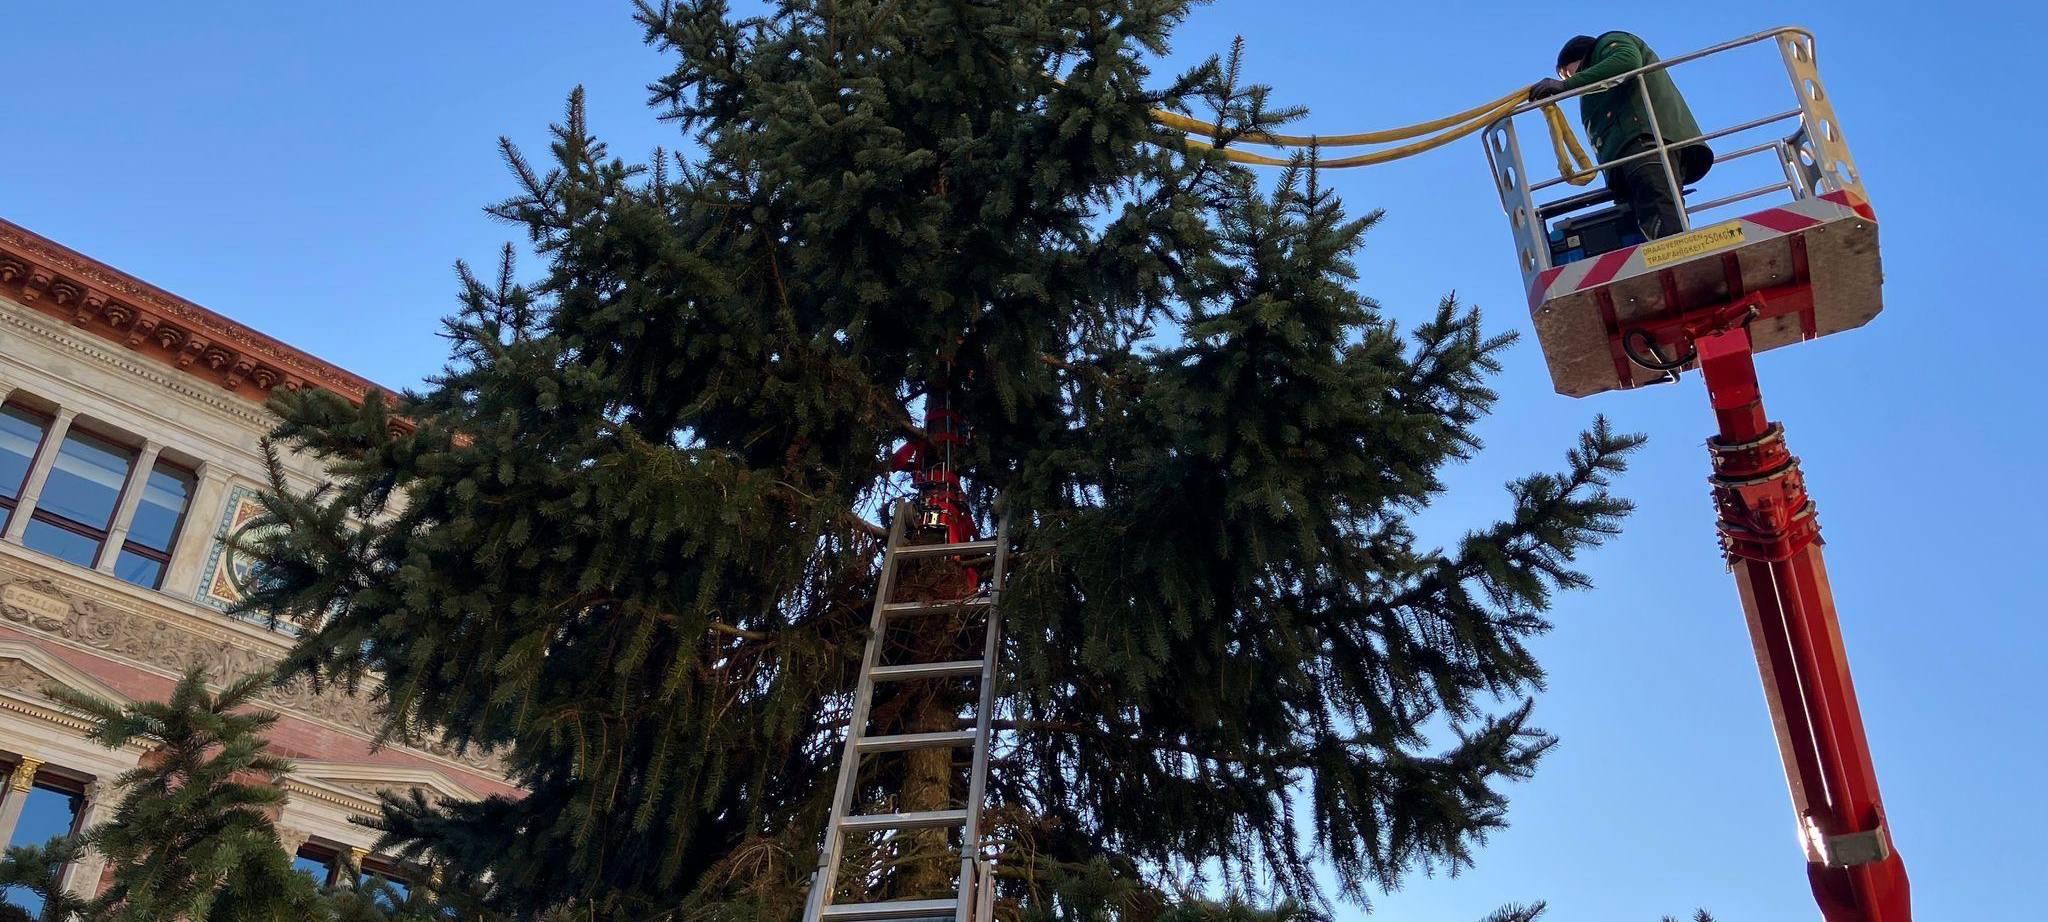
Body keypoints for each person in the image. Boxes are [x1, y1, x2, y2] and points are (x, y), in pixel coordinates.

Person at [1530, 32, 1712, 240]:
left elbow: (1627, 60)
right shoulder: (1594, 88)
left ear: (1579, 59)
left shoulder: (1608, 44)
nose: (1567, 78)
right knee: (1649, 215)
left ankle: (1678, 253)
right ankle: (1670, 248)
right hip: (1629, 157)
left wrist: (1566, 85)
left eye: (1565, 73)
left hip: (1644, 142)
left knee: (1659, 210)